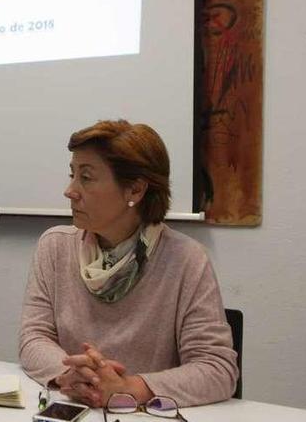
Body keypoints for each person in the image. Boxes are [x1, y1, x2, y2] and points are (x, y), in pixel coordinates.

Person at [19, 120, 238, 407]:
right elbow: (34, 338)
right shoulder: (54, 247)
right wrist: (71, 375)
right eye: (72, 175)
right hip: (73, 408)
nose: (70, 190)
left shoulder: (186, 260)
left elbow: (217, 369)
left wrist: (129, 388)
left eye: (86, 177)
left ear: (134, 190)